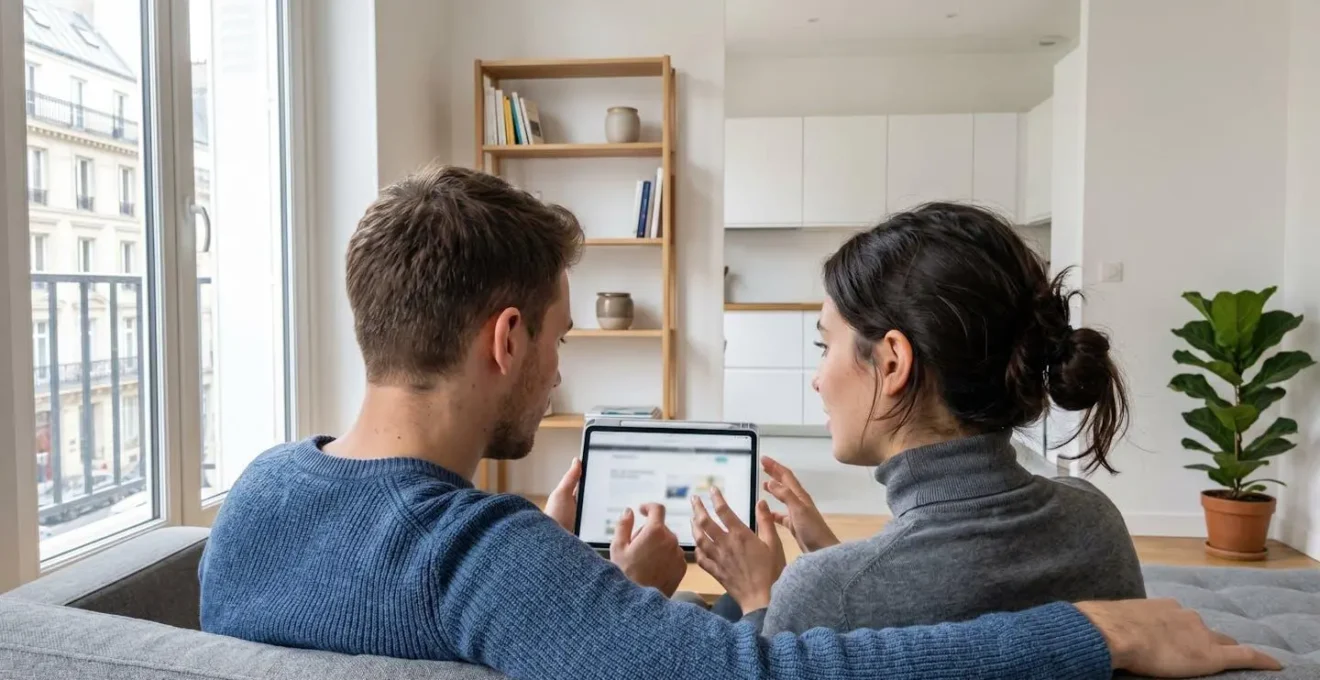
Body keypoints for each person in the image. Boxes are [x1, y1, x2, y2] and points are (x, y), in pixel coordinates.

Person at [197, 165, 1278, 680]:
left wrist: (605, 603)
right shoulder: (491, 559)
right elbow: (768, 676)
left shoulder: (252, 500)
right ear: (507, 336)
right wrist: (1095, 629)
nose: (562, 368)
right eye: (563, 337)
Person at [692, 202, 1149, 636]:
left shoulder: (819, 592)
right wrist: (826, 549)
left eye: (824, 346)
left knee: (725, 608)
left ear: (892, 363)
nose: (817, 380)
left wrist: (758, 598)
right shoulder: (1097, 522)